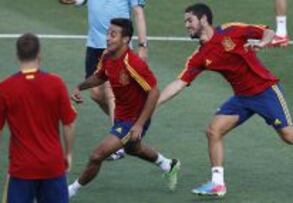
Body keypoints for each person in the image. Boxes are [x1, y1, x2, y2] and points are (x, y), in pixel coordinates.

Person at [157, 3, 293, 197]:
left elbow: (267, 31)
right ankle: (217, 184)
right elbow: (179, 83)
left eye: (189, 20)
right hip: (242, 98)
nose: (187, 25)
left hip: (266, 90)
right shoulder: (200, 56)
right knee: (213, 130)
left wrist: (262, 42)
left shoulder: (230, 30)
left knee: (289, 136)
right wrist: (153, 104)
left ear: (203, 19)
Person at [67, 18, 180, 198]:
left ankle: (70, 191)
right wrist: (80, 87)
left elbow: (154, 92)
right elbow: (100, 76)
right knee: (132, 149)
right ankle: (168, 164)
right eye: (108, 34)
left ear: (126, 39)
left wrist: (139, 125)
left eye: (113, 35)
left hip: (134, 118)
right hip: (122, 115)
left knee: (97, 156)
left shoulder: (133, 63)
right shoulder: (107, 56)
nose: (108, 38)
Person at [59, 0, 149, 160]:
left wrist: (142, 45)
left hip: (117, 44)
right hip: (94, 44)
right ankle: (127, 126)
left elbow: (138, 12)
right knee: (96, 94)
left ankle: (118, 141)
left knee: (110, 92)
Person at [0, 33, 76, 203]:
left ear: (17, 55)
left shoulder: (5, 88)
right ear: (39, 54)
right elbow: (69, 124)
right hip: (52, 165)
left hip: (21, 168)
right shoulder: (56, 83)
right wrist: (68, 153)